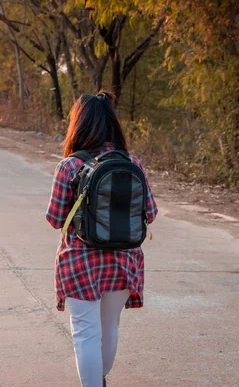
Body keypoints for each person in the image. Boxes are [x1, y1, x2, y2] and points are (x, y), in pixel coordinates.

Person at [46, 92, 158, 387]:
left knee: (85, 333)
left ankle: (94, 382)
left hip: (80, 263)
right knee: (109, 330)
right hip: (124, 261)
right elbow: (152, 213)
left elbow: (56, 219)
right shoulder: (132, 163)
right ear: (113, 125)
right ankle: (101, 378)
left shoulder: (69, 166)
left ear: (78, 125)